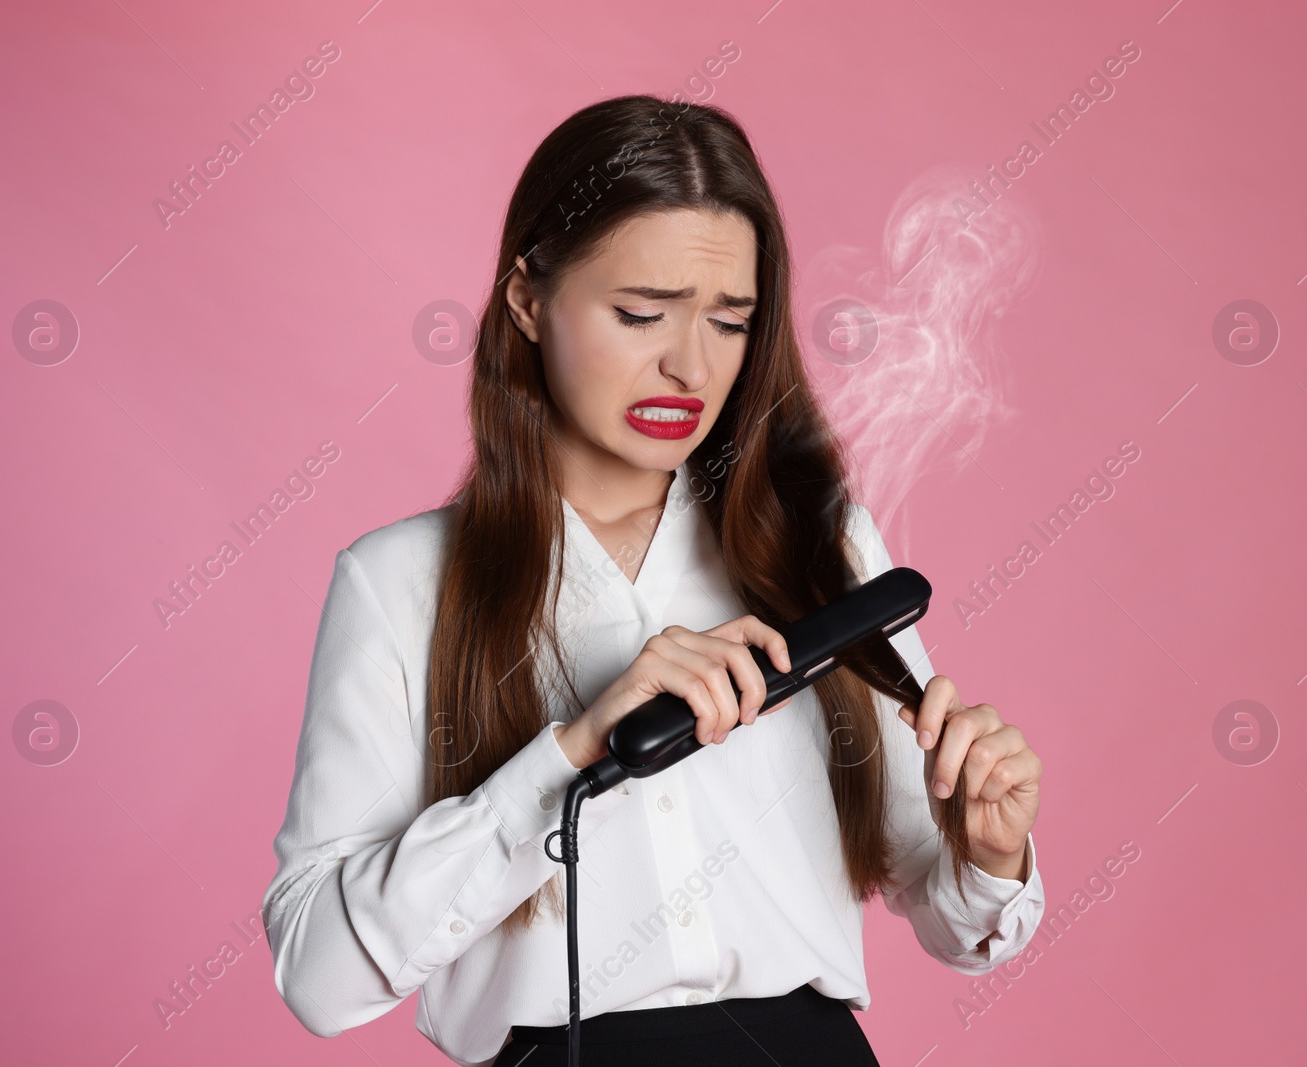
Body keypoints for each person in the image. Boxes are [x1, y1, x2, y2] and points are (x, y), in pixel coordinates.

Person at [262, 93, 1045, 1067]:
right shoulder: (402, 582)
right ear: (527, 298)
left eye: (729, 320)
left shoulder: (822, 544)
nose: (688, 365)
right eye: (640, 313)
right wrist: (567, 750)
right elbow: (317, 973)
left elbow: (942, 903)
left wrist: (986, 844)